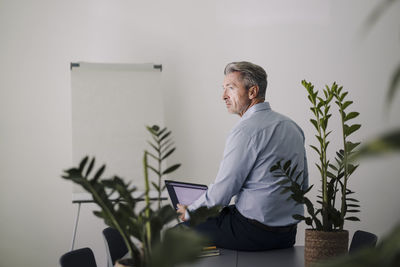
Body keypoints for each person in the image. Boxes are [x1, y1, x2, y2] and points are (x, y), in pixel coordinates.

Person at [177, 61, 308, 251]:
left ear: (252, 92)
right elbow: (302, 185)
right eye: (223, 89)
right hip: (287, 234)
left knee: (177, 232)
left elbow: (222, 193)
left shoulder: (245, 131)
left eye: (230, 88)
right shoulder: (293, 127)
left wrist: (190, 212)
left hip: (252, 233)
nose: (223, 96)